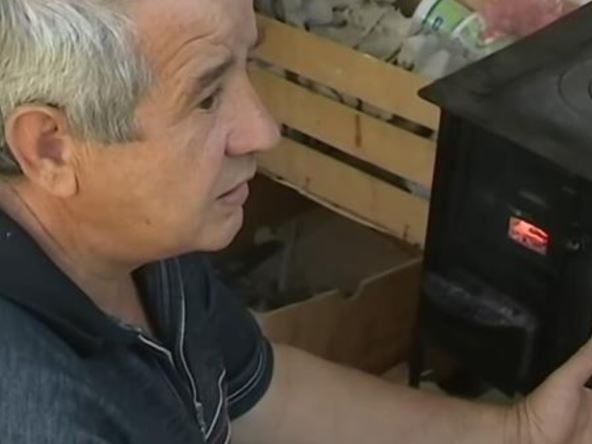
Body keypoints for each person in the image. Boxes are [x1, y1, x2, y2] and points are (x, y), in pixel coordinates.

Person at [0, 0, 590, 443]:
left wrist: (518, 433)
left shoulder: (137, 245)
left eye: (248, 64)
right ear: (51, 148)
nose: (263, 130)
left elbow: (261, 396)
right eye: (206, 98)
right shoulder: (37, 414)